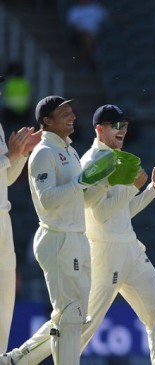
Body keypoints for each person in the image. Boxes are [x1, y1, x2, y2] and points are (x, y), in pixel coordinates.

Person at [1, 104, 155, 365]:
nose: (122, 131)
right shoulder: (91, 161)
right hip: (104, 252)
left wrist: (151, 189)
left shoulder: (116, 159)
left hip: (130, 248)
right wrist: (132, 186)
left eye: (124, 126)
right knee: (79, 325)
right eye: (116, 126)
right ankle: (17, 359)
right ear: (99, 129)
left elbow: (123, 213)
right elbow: (102, 214)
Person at [2, 96, 116, 365]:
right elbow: (49, 200)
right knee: (70, 315)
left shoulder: (70, 151)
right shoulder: (43, 153)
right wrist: (82, 180)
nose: (72, 115)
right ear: (46, 121)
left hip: (77, 236)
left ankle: (16, 360)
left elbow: (79, 197)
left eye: (71, 110)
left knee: (73, 317)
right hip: (58, 237)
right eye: (64, 112)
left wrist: (99, 183)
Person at [0, 75, 41, 354]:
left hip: (4, 220)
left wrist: (22, 154)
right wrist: (9, 157)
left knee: (5, 303)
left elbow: (7, 177)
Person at [66, 0, 108, 70]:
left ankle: (86, 62)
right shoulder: (75, 10)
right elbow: (72, 26)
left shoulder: (95, 9)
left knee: (88, 40)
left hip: (95, 35)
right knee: (87, 38)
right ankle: (92, 57)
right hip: (79, 35)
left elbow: (107, 16)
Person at [2, 62, 32, 128]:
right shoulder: (25, 83)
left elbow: (5, 96)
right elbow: (29, 96)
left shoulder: (10, 83)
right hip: (24, 110)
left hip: (11, 110)